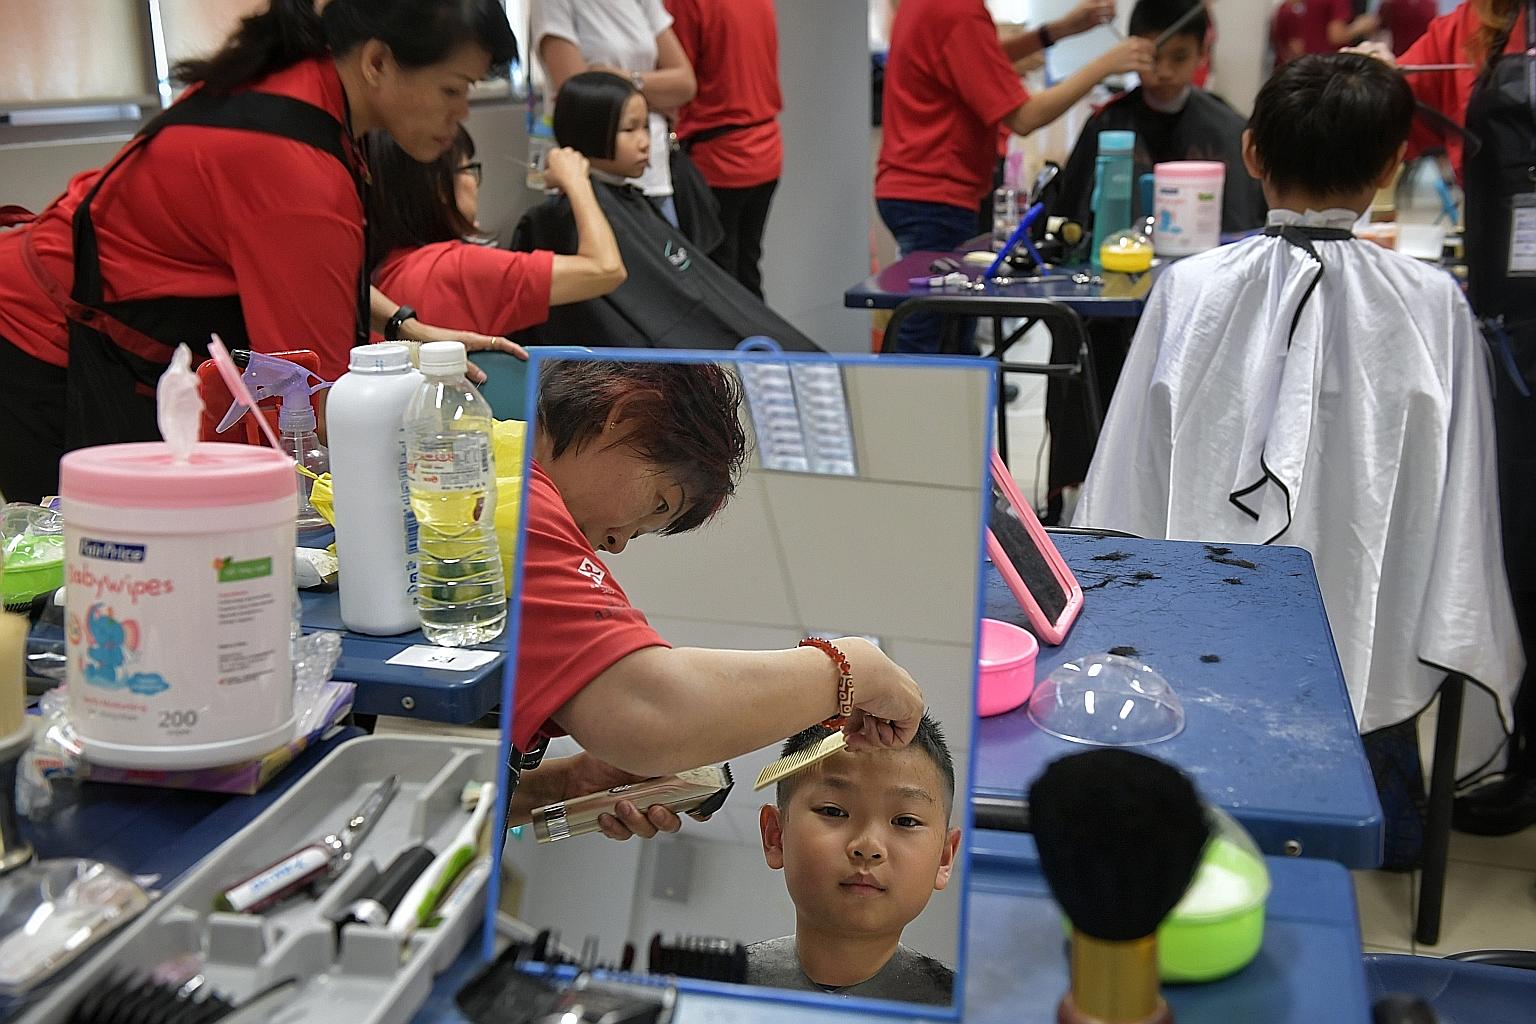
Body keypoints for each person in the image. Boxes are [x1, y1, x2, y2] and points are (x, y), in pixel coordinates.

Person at [1073, 54, 1523, 784]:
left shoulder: (1189, 288)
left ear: (1250, 152)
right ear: (1390, 166)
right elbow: (1462, 507)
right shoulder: (1432, 301)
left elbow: (1129, 479)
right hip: (1378, 636)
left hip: (1200, 644)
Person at [0, 0, 518, 506]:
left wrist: (404, 324)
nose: (462, 112)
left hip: (78, 306)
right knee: (77, 562)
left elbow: (308, 265)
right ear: (378, 62)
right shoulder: (294, 165)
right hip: (43, 336)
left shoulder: (302, 84)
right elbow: (311, 398)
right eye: (453, 88)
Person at [500, 359, 928, 837]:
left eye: (646, 529)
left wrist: (562, 787)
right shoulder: (520, 502)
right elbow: (651, 710)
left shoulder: (496, 484)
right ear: (631, 411)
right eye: (659, 503)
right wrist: (854, 667)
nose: (618, 544)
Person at [1380, 0, 1536, 834]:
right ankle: (1524, 764)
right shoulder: (1468, 24)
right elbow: (1401, 95)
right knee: (1520, 543)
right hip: (1514, 319)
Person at [875, 0, 1154, 354]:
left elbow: (979, 61)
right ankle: (918, 407)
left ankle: (950, 401)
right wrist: (1105, 65)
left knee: (946, 328)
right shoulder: (956, 11)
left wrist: (1057, 32)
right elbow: (1024, 117)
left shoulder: (930, 7)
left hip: (915, 188)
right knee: (933, 335)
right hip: (934, 195)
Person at [510, 72, 819, 351]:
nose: (645, 142)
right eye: (629, 129)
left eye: (646, 126)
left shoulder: (630, 201)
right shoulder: (566, 222)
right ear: (589, 131)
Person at [746, 716, 962, 1005]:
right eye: (834, 812)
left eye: (906, 821)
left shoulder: (968, 1008)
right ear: (775, 835)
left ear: (944, 857)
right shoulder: (708, 986)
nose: (868, 847)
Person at [367, 127, 626, 337]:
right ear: (441, 188)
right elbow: (605, 270)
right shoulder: (458, 267)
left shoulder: (380, 272)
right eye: (469, 169)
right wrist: (577, 180)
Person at [1052, 0, 1266, 237]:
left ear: (1202, 52)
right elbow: (1071, 225)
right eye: (1153, 58)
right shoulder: (1105, 125)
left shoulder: (1230, 129)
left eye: (1179, 57)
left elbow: (1244, 231)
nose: (1164, 72)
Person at [532, 0, 697, 229]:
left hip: (654, 174)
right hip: (595, 180)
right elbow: (582, 102)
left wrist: (620, 77)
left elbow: (685, 84)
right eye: (631, 126)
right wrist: (655, 95)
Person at [665, 0, 783, 299]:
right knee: (745, 272)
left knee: (718, 284)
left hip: (719, 158)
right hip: (764, 149)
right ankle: (761, 343)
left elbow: (677, 83)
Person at [1272, 0, 1380, 64]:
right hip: (1330, 63)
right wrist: (1362, 25)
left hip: (1308, 61)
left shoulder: (1292, 5)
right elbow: (1336, 36)